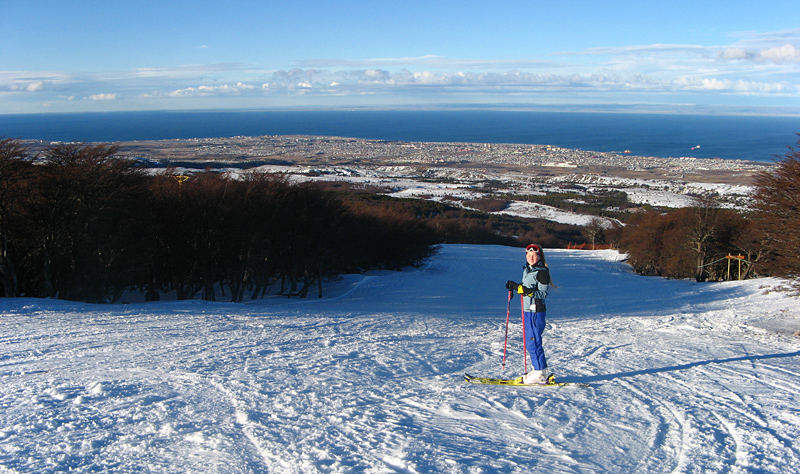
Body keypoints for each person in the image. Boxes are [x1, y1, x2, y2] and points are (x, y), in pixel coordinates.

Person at [506, 244, 552, 384]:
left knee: (533, 341)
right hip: (527, 310)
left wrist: (527, 291)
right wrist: (515, 287)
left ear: (539, 256)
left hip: (535, 311)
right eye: (529, 255)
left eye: (534, 255)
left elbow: (543, 293)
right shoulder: (528, 270)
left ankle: (540, 372)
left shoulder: (542, 272)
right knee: (530, 340)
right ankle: (538, 370)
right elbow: (527, 287)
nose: (531, 258)